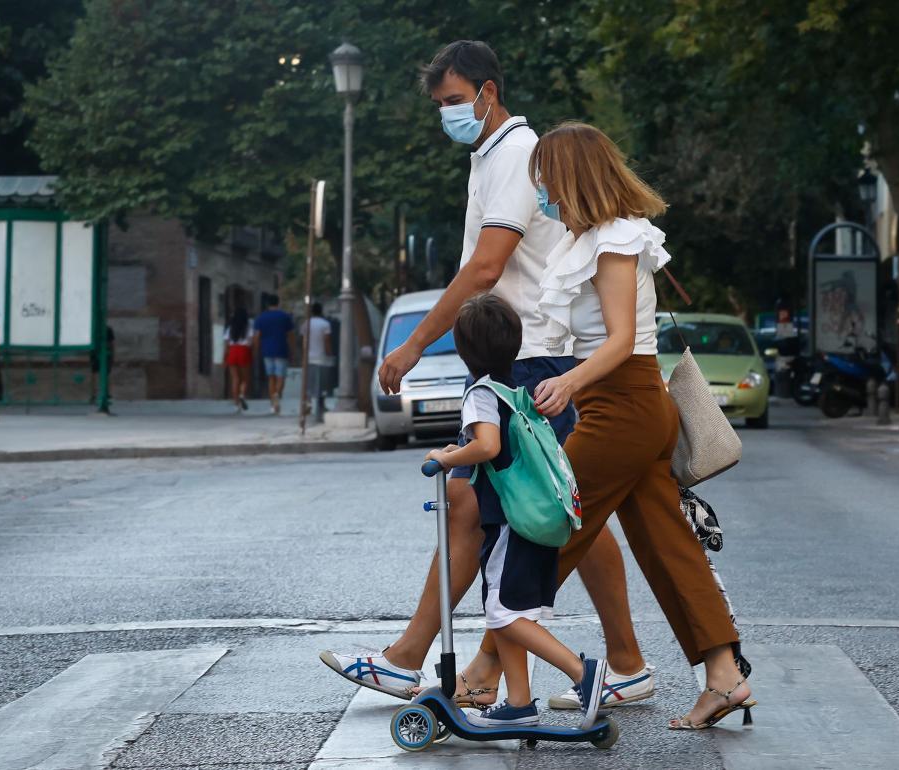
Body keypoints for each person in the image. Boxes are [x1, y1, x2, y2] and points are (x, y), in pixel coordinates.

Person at [319, 40, 654, 712]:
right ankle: (621, 664)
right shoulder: (493, 156)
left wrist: (413, 344)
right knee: (562, 511)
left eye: (452, 101)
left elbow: (484, 268)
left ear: (487, 92)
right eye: (439, 104)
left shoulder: (513, 156)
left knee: (486, 509)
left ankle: (410, 659)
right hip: (534, 360)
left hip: (526, 365)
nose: (446, 114)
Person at [474, 120, 755, 730]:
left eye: (545, 179)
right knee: (668, 546)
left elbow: (623, 339)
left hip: (622, 405)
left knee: (543, 528)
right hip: (628, 407)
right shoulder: (593, 241)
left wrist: (569, 382)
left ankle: (486, 672)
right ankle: (725, 678)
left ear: (570, 178)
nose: (540, 191)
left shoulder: (616, 242)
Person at [422, 293, 606, 728]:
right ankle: (519, 702)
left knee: (503, 615)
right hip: (534, 519)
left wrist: (447, 459)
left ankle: (583, 673)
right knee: (508, 614)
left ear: (463, 350)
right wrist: (462, 449)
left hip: (509, 525)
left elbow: (489, 445)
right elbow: (490, 446)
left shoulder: (479, 393)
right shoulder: (512, 392)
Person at [254, 294, 294, 414]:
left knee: (271, 377)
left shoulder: (261, 318)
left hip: (267, 350)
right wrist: (292, 350)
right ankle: (277, 396)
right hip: (281, 349)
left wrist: (256, 350)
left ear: (267, 304)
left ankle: (272, 402)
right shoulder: (285, 317)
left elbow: (257, 336)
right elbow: (291, 336)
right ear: (278, 302)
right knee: (280, 377)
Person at [304, 302, 332, 419]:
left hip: (309, 358)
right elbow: (327, 341)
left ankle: (308, 403)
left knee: (309, 383)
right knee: (321, 384)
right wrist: (329, 353)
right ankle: (321, 405)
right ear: (321, 311)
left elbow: (304, 341)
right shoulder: (325, 324)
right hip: (321, 358)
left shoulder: (306, 324)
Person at [223, 307, 253, 412]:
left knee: (235, 379)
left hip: (232, 351)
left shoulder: (230, 328)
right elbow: (251, 341)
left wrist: (224, 357)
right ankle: (242, 394)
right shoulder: (248, 327)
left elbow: (226, 344)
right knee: (245, 378)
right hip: (244, 351)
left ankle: (236, 404)